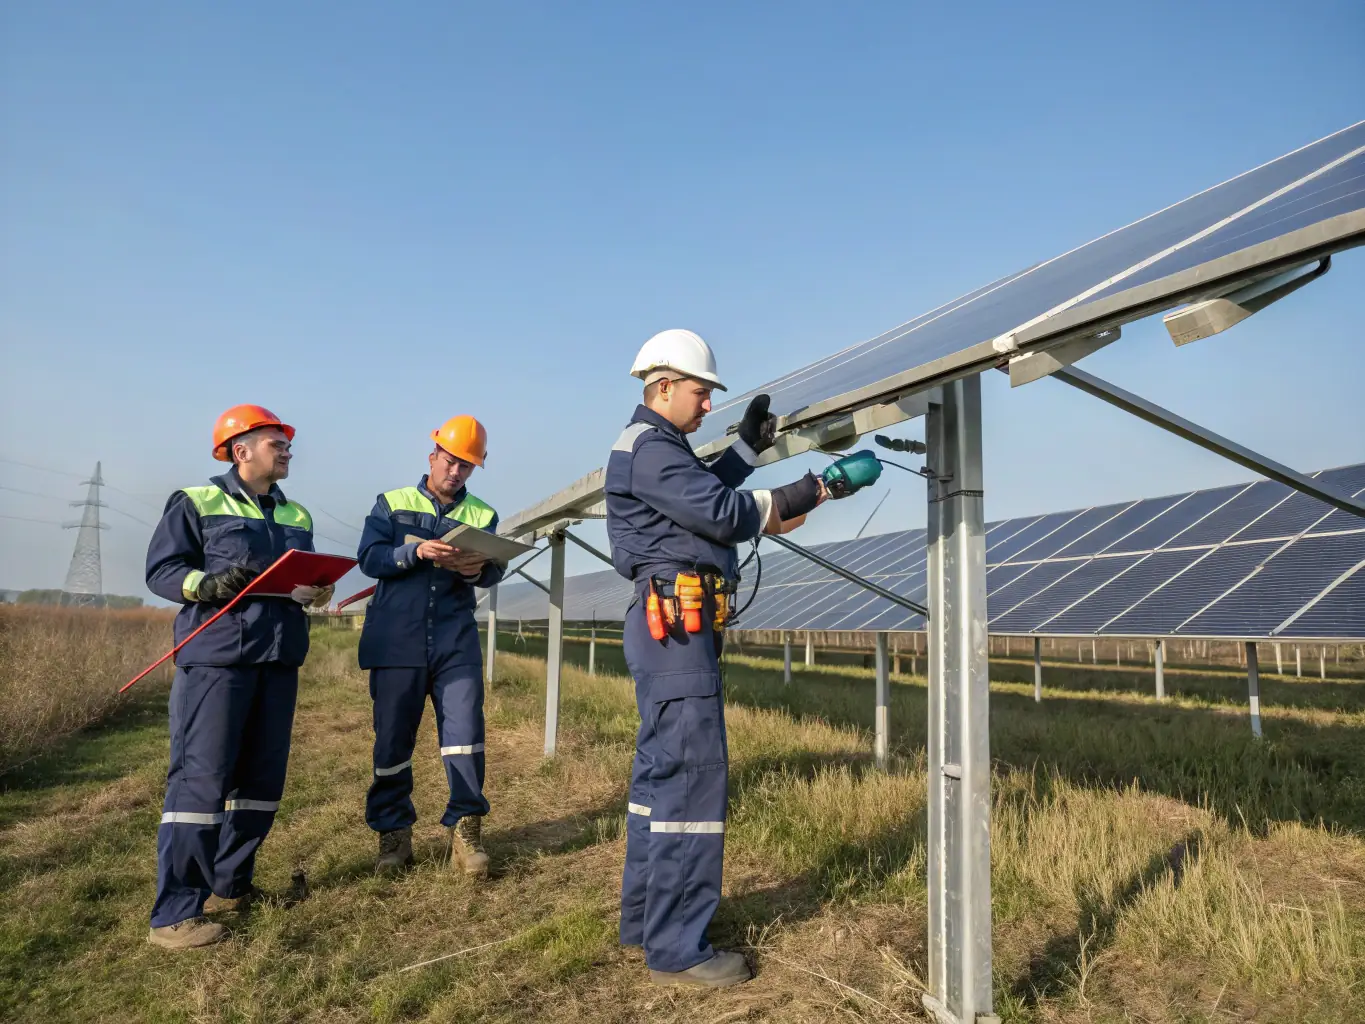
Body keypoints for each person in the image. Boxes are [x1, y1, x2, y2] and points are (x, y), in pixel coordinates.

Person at [605, 329, 828, 987]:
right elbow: (720, 511)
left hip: (671, 626)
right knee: (691, 779)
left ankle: (647, 920)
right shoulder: (648, 448)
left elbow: (696, 489)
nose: (706, 407)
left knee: (659, 778)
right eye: (701, 394)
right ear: (664, 386)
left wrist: (746, 449)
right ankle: (677, 947)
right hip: (675, 630)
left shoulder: (655, 448)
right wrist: (811, 491)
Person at [144, 405, 332, 950]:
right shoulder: (196, 502)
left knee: (261, 781)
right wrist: (207, 584)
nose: (288, 449)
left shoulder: (296, 515)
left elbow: (307, 577)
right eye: (279, 441)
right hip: (217, 660)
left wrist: (318, 590)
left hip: (278, 659)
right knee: (200, 783)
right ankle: (174, 913)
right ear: (241, 449)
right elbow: (162, 571)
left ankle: (231, 883)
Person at [356, 416, 505, 876]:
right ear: (432, 456)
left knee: (464, 738)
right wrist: (413, 552)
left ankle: (466, 832)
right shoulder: (392, 504)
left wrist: (474, 570)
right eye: (450, 461)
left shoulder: (481, 515)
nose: (456, 472)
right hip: (395, 641)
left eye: (467, 466)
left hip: (453, 641)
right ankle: (394, 838)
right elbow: (369, 558)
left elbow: (493, 569)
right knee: (393, 743)